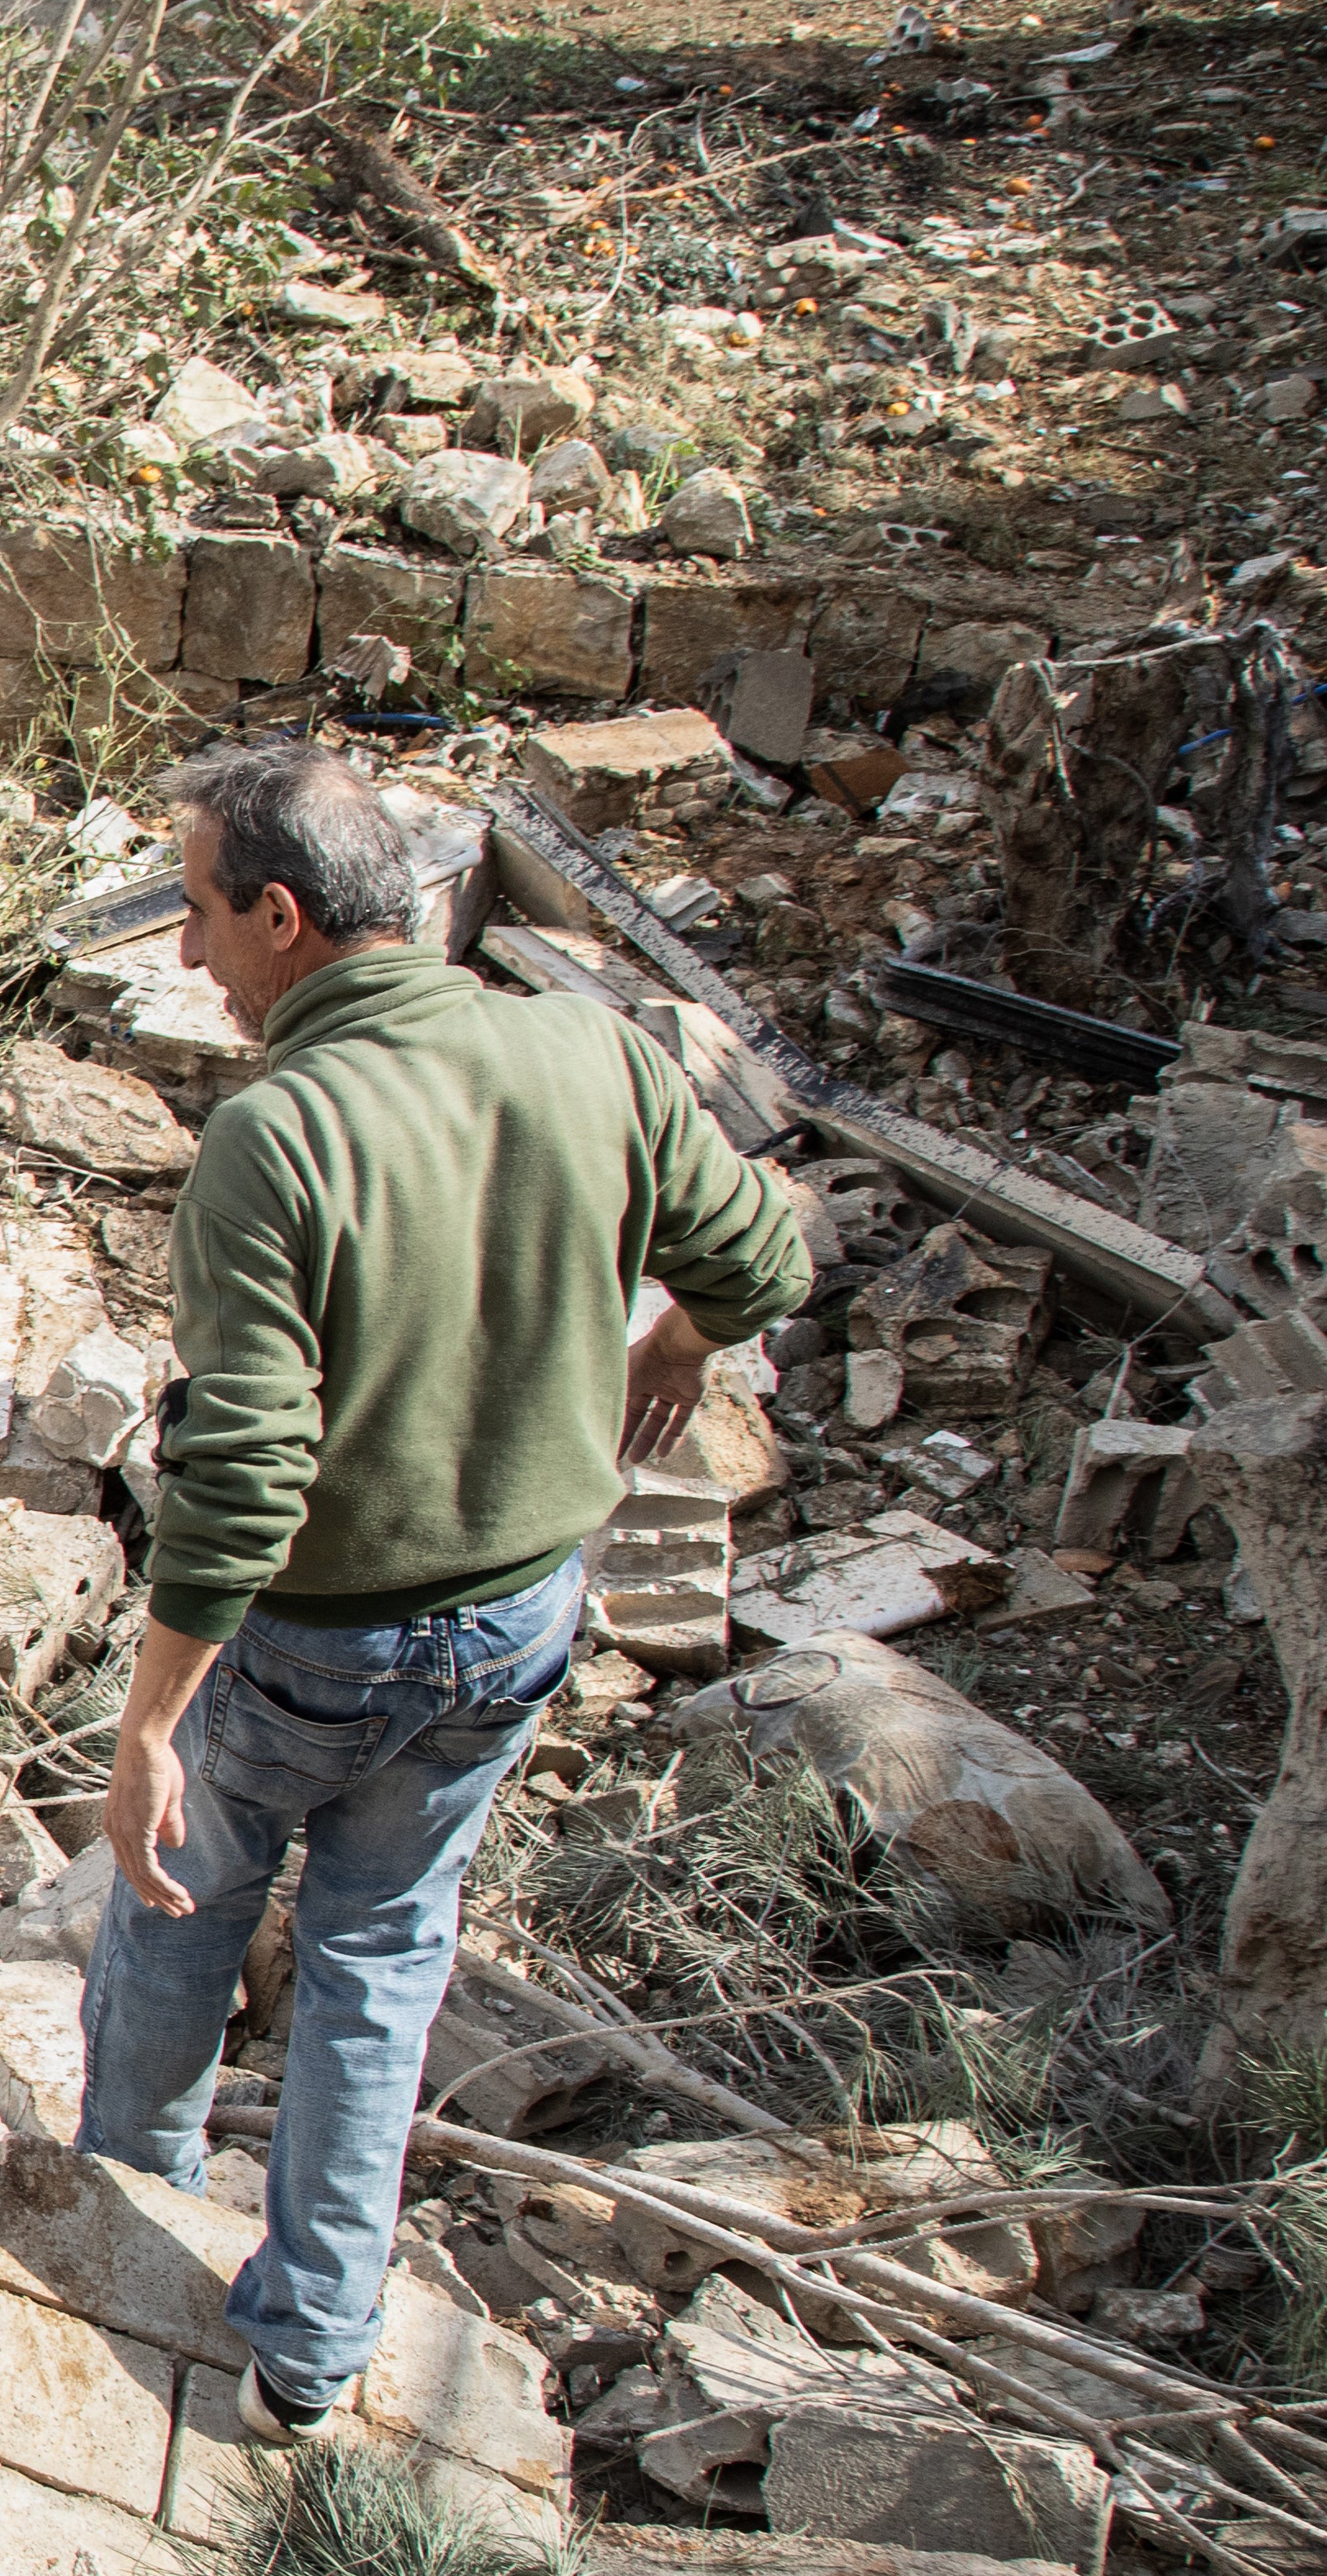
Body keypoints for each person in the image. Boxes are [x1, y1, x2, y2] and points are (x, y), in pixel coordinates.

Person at [79, 741, 813, 2446]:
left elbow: (249, 1472)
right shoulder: (591, 1051)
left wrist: (151, 1721)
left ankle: (129, 2221)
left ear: (284, 913)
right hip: (514, 1625)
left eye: (199, 916)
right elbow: (759, 1255)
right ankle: (309, 2353)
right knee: (382, 1958)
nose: (190, 957)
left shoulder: (281, 1131)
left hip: (311, 1642)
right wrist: (681, 1340)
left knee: (173, 1903)